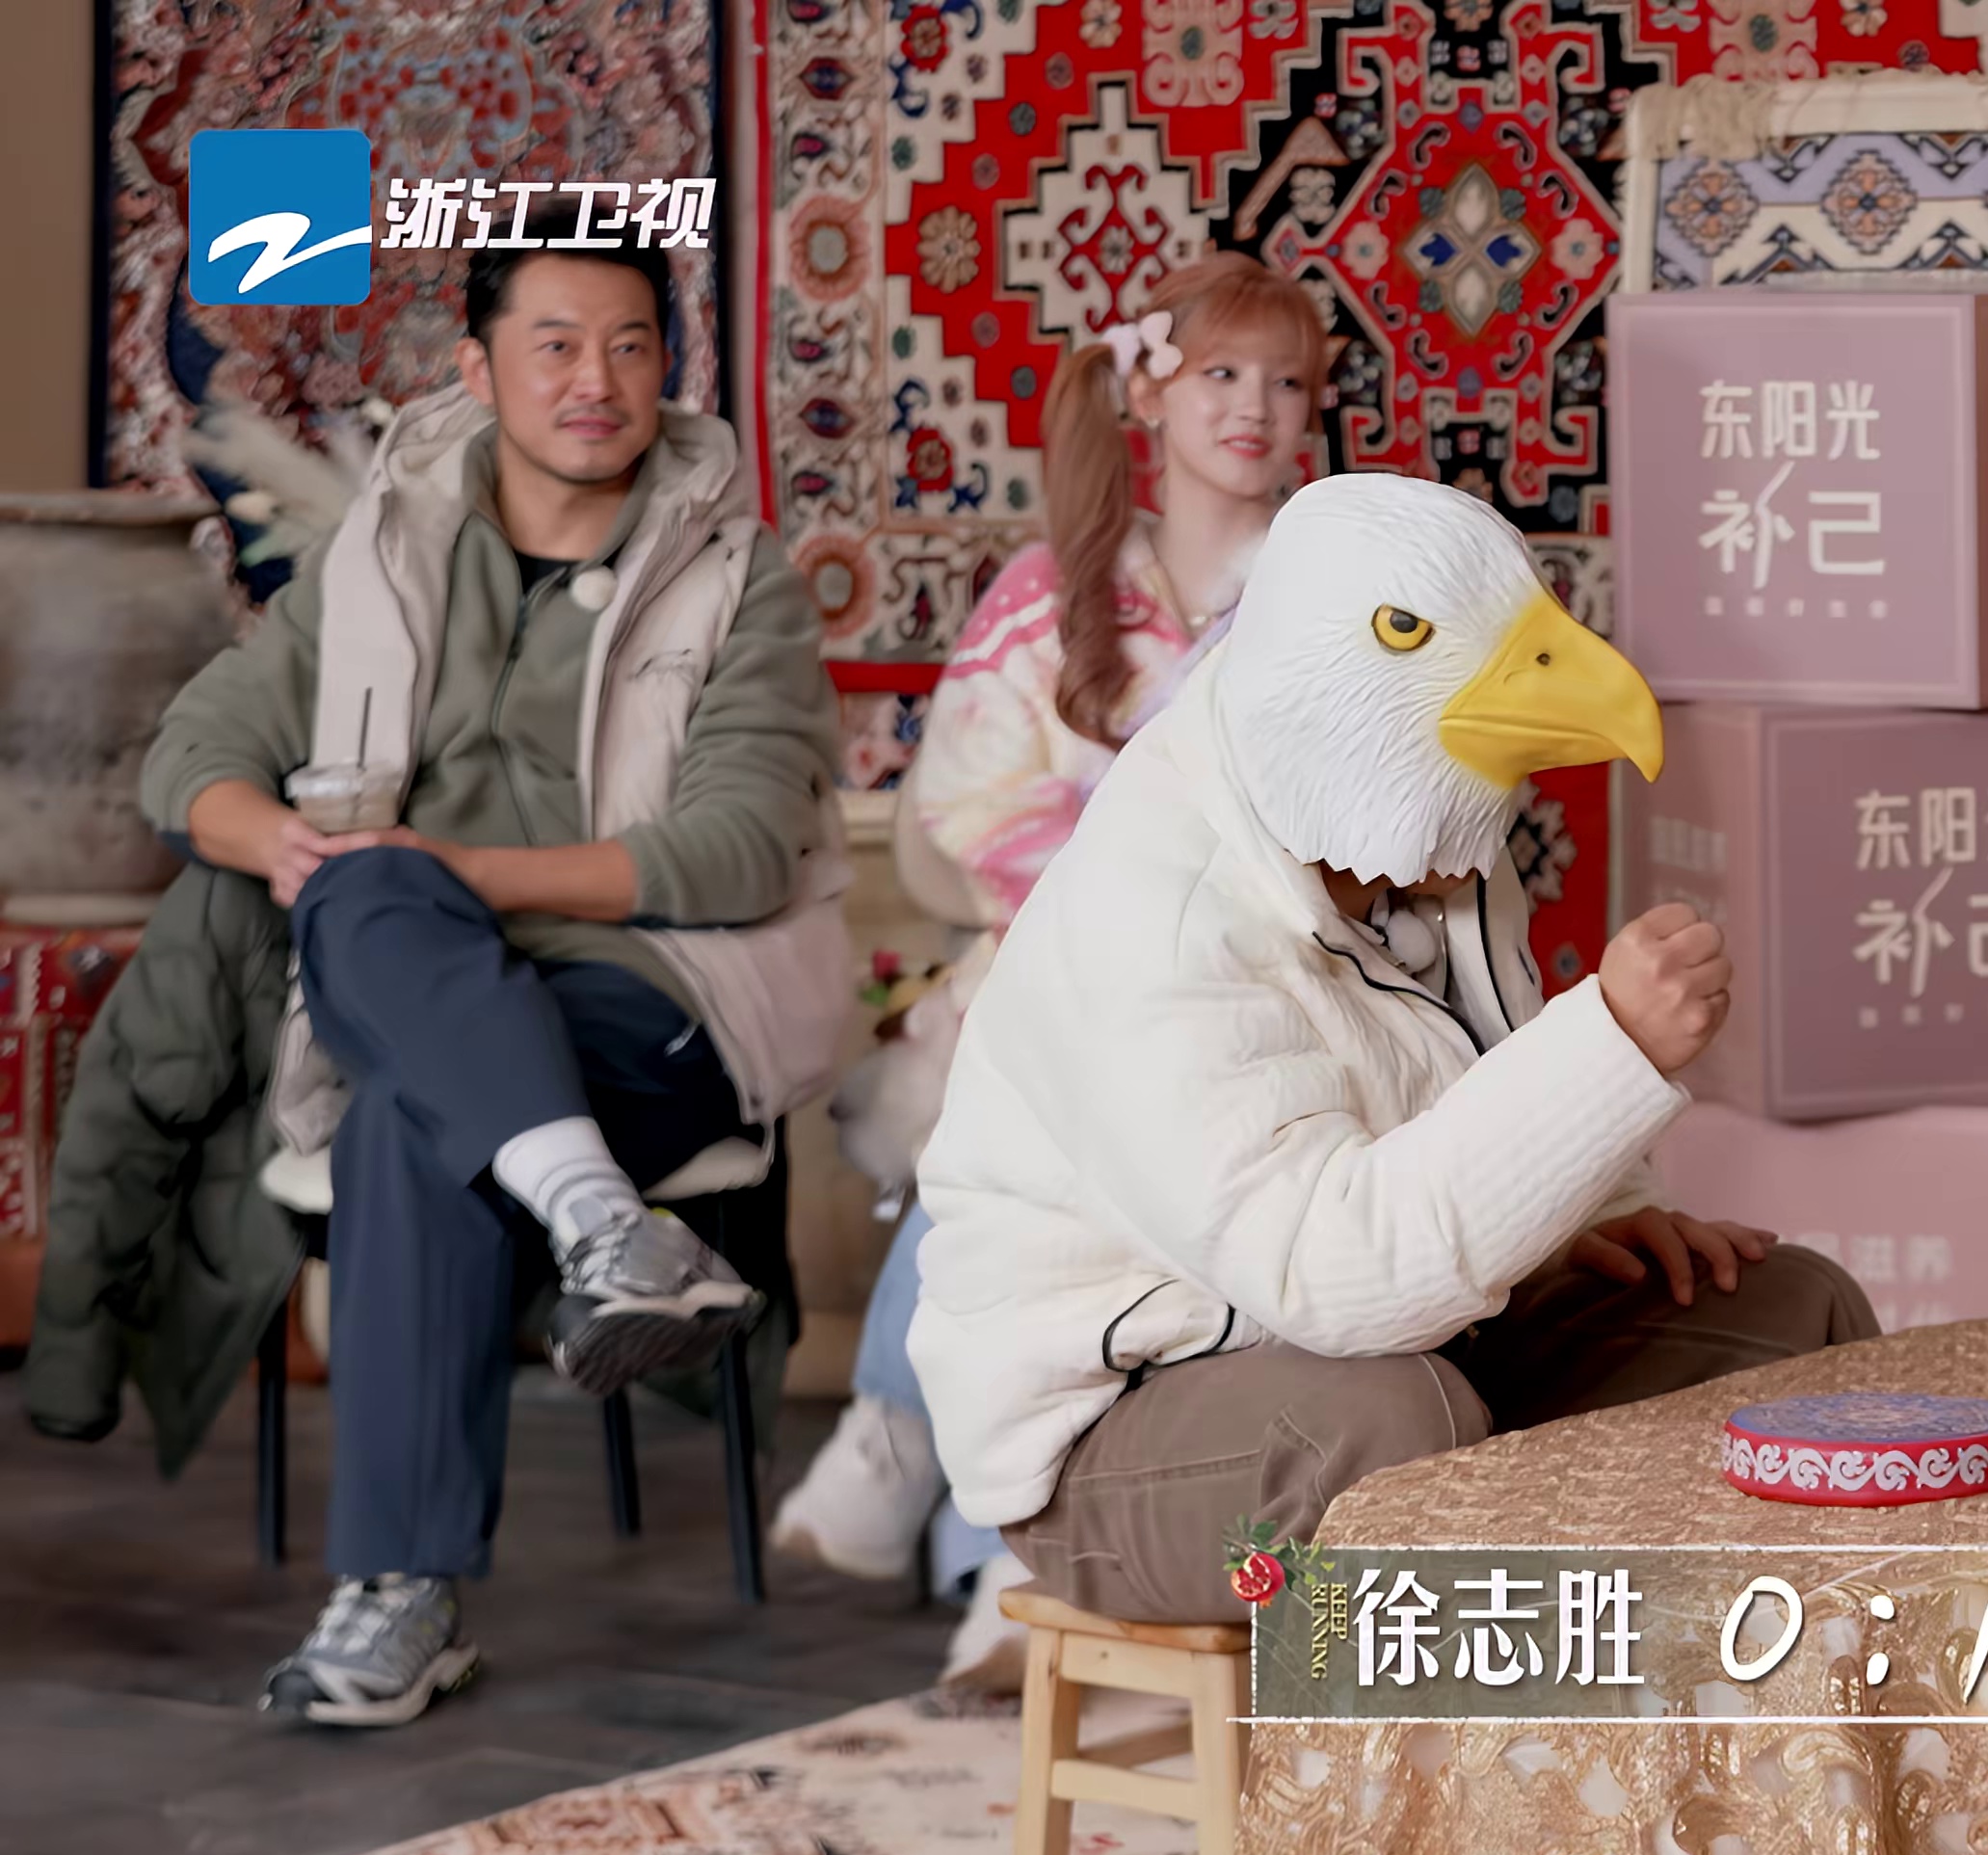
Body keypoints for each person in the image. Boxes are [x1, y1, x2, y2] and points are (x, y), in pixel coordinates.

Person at [907, 470, 1874, 1628]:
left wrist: (1600, 1212)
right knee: (1389, 1441)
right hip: (1121, 1434)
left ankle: (1763, 1682)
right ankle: (1494, 1736)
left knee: (1790, 1317)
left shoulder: (1410, 839)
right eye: (1411, 634)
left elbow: (1467, 1059)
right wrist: (1614, 1044)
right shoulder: (1155, 918)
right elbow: (1332, 1278)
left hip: (1422, 1345)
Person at [95, 242, 846, 1727]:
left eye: (629, 345)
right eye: (555, 343)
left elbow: (743, 847)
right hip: (426, 981)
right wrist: (289, 845)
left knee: (405, 1098)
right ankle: (609, 1229)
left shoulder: (735, 576)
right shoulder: (380, 563)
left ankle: (401, 1595)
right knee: (377, 961)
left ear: (666, 370)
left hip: (664, 995)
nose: (595, 380)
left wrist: (450, 874)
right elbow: (191, 761)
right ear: (477, 370)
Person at [768, 255, 1329, 1685]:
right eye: (1220, 374)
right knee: (1036, 1111)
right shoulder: (1051, 594)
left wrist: (1194, 918)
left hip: (1262, 987)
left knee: (1110, 1128)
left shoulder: (1326, 593)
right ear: (1150, 392)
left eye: (1287, 381)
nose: (1254, 407)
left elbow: (1350, 807)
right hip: (1061, 976)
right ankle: (986, 1538)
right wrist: (1120, 907)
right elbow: (967, 804)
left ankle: (924, 1466)